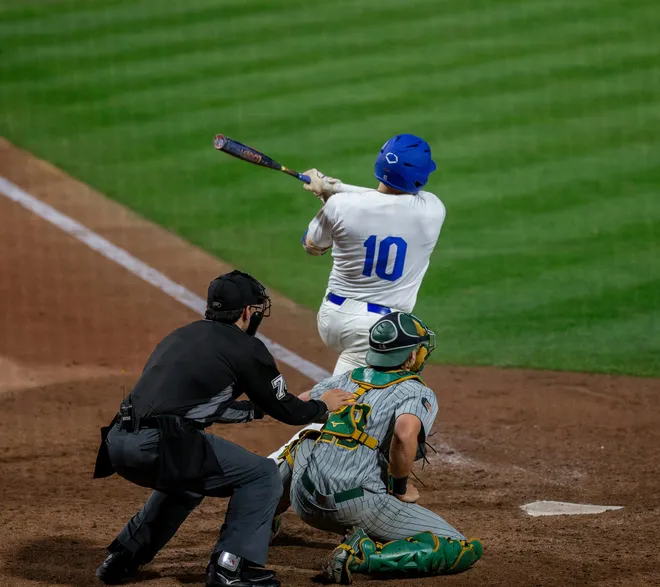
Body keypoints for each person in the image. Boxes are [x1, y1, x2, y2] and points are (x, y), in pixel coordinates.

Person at [92, 270, 354, 587]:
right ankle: (232, 567)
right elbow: (289, 412)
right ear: (247, 312)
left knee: (187, 482)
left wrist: (258, 410)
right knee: (262, 474)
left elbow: (193, 405)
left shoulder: (180, 336)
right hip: (160, 443)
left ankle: (122, 557)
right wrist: (323, 405)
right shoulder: (246, 348)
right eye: (257, 309)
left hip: (118, 441)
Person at [268, 133, 445, 460]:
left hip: (332, 318)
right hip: (380, 335)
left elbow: (312, 245)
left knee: (358, 404)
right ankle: (272, 473)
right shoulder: (433, 211)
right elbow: (389, 204)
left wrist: (331, 194)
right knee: (342, 411)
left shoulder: (341, 206)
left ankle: (372, 459)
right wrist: (335, 188)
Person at [274, 312, 482, 584]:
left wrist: (324, 405)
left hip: (303, 497)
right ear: (411, 357)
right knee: (460, 546)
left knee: (306, 442)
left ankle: (260, 520)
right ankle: (361, 556)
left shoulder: (347, 379)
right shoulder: (415, 391)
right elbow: (404, 434)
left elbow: (298, 404)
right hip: (356, 509)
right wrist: (399, 487)